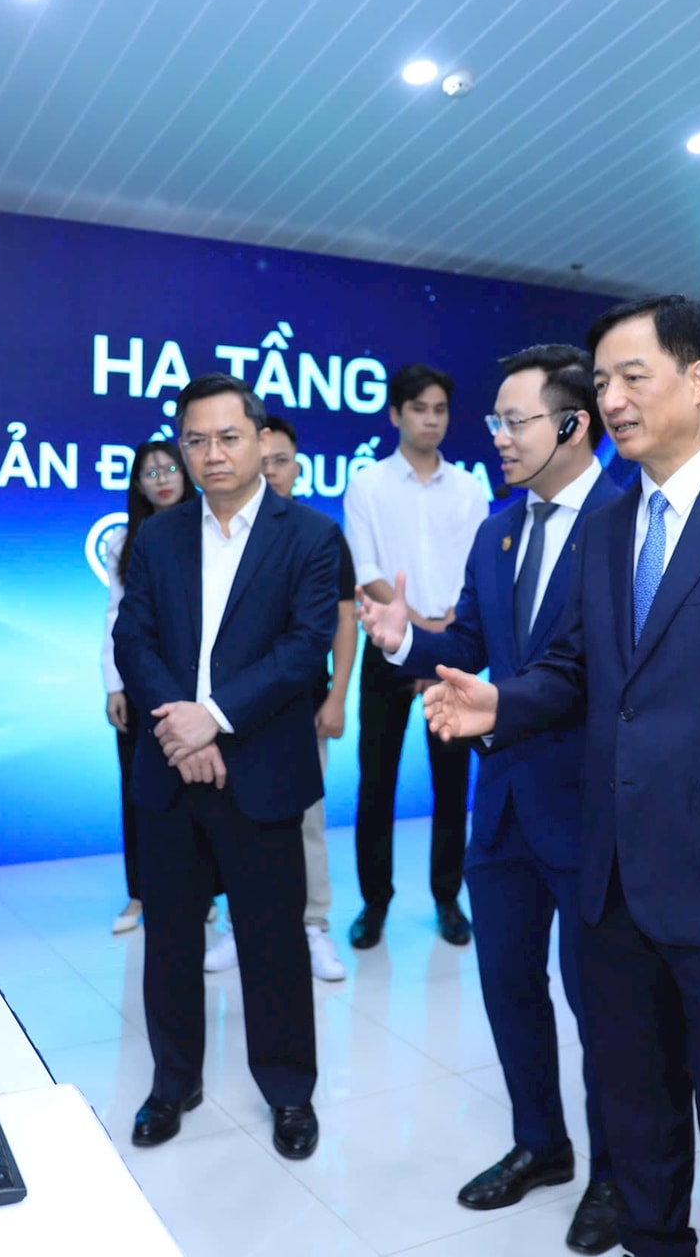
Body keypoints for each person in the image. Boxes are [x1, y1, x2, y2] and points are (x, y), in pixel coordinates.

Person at [422, 296, 700, 1257]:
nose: (610, 400)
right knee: (637, 1108)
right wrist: (502, 704)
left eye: (631, 377)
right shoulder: (612, 521)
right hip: (611, 883)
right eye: (602, 382)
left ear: (697, 379)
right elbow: (580, 667)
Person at [360, 344, 624, 1254]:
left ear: (572, 424)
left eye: (514, 421)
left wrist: (501, 701)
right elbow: (470, 641)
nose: (498, 438)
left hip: (592, 812)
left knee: (602, 1007)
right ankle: (541, 1144)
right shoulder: (499, 529)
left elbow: (597, 672)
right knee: (509, 987)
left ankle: (617, 1174)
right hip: (503, 805)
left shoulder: (630, 524)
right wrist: (405, 640)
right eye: (496, 422)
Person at [111, 373, 338, 1160]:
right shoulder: (159, 536)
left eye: (228, 436)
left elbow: (303, 649)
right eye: (196, 439)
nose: (211, 453)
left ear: (260, 439)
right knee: (170, 941)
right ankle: (173, 1081)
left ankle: (288, 1090)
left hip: (261, 771)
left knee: (273, 944)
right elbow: (133, 639)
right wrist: (183, 725)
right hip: (171, 768)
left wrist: (214, 716)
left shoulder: (309, 535)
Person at [343, 363, 487, 949]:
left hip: (452, 653)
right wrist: (416, 632)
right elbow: (365, 568)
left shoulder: (469, 489)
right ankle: (374, 903)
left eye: (440, 410)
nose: (432, 420)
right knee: (375, 781)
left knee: (452, 785)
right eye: (420, 409)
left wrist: (439, 636)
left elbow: (478, 572)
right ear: (395, 414)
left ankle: (448, 898)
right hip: (387, 647)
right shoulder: (367, 485)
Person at [206, 414, 355, 982]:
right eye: (263, 460)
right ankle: (240, 925)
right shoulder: (218, 535)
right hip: (227, 712)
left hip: (299, 709)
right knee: (232, 823)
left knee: (305, 821)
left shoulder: (318, 535)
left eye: (281, 462)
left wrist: (337, 696)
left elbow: (344, 620)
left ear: (296, 468)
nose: (271, 470)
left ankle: (313, 924)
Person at [101, 439, 197, 934]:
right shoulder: (125, 541)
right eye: (150, 473)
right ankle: (139, 894)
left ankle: (202, 894)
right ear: (137, 485)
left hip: (196, 686)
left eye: (170, 469)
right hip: (140, 682)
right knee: (138, 789)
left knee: (198, 793)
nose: (162, 479)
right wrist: (114, 685)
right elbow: (115, 618)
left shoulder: (207, 530)